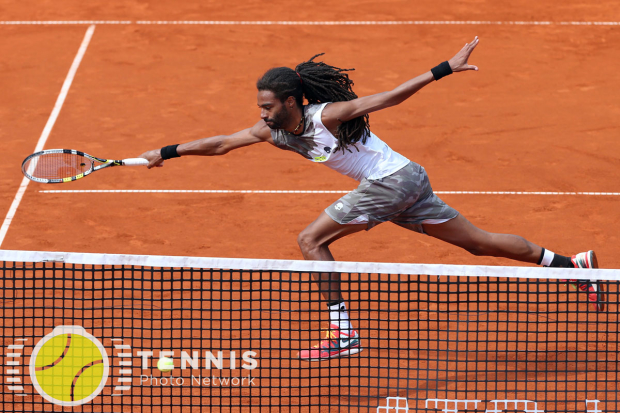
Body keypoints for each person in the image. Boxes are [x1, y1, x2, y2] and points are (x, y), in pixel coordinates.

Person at [140, 36, 604, 362]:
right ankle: (571, 265)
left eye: (267, 106)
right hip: (406, 183)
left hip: (393, 182)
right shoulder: (274, 131)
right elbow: (221, 143)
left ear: (293, 100)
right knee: (478, 243)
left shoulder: (328, 116)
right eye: (260, 106)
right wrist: (165, 153)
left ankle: (342, 334)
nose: (260, 113)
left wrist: (443, 69)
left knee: (311, 240)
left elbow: (387, 98)